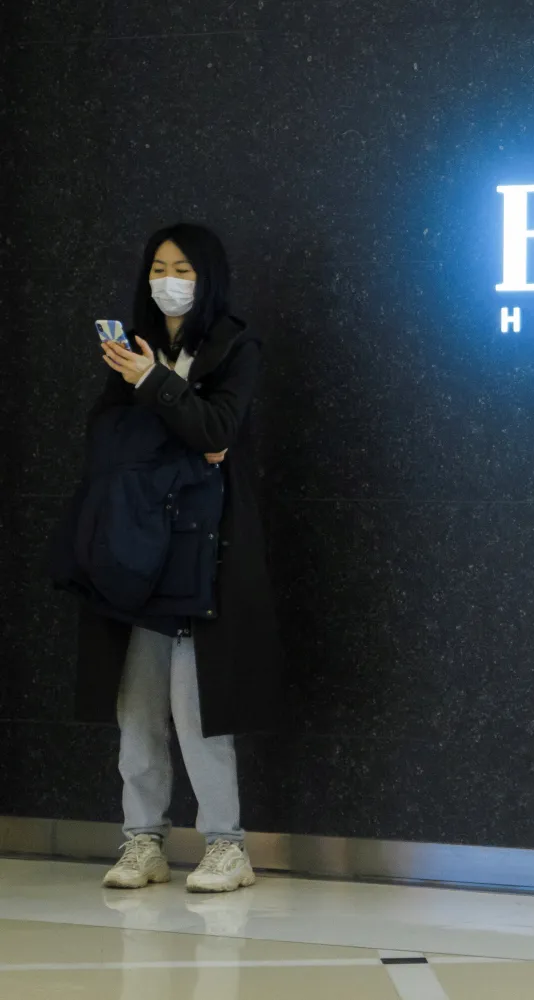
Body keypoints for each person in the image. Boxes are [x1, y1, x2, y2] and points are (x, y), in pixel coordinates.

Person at [58, 224, 282, 894]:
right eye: (157, 266)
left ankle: (225, 844)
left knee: (196, 707)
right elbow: (111, 439)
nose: (167, 279)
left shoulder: (235, 347)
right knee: (138, 707)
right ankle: (142, 841)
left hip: (202, 552)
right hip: (133, 553)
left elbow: (219, 432)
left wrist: (157, 384)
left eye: (181, 266)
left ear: (207, 273)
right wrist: (169, 405)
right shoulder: (133, 349)